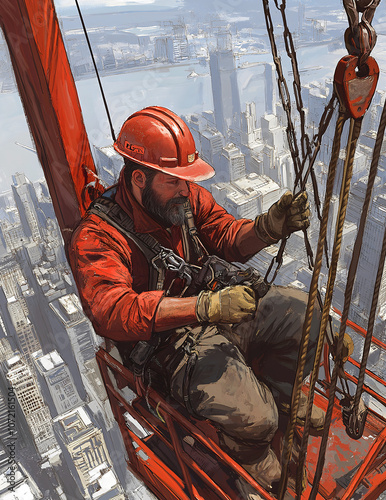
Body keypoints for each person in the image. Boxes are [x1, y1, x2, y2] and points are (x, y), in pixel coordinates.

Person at [68, 106, 351, 495]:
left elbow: (227, 237)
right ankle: (252, 457)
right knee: (257, 418)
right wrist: (203, 308)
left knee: (305, 315)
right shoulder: (97, 237)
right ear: (139, 179)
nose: (186, 191)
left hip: (217, 310)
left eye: (187, 181)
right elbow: (112, 311)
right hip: (168, 346)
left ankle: (286, 401)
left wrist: (268, 227)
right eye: (174, 182)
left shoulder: (181, 202)